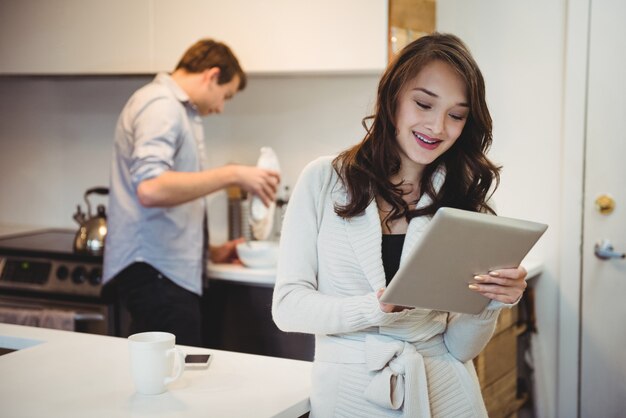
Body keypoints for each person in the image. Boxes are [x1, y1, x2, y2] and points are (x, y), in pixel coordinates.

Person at [272, 33, 528, 417]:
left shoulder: (466, 202)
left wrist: (491, 302)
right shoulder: (323, 180)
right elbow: (288, 308)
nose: (437, 127)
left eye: (456, 115)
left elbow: (460, 349)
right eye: (424, 103)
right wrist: (379, 308)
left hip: (446, 397)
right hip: (351, 398)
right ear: (392, 98)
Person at [103, 39, 280, 347]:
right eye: (225, 95)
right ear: (211, 75)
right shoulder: (161, 105)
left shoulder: (178, 110)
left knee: (177, 377)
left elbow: (167, 200)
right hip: (155, 274)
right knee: (169, 382)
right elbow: (151, 189)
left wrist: (209, 251)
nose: (220, 107)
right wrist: (233, 174)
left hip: (164, 271)